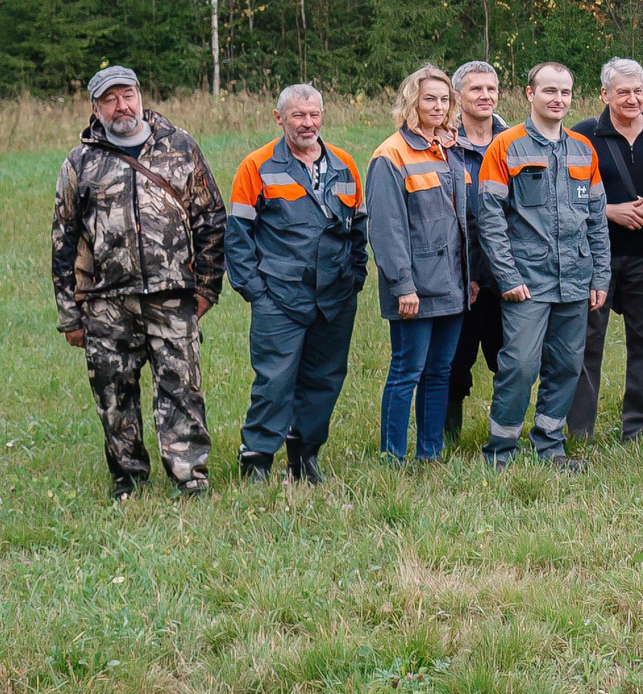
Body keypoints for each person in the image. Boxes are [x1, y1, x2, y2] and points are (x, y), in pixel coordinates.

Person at [51, 65, 225, 498]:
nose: (121, 106)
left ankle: (190, 480)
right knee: (114, 395)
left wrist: (206, 288)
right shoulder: (81, 162)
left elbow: (211, 220)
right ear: (96, 108)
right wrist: (70, 314)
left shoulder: (181, 147)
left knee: (182, 389)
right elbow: (63, 241)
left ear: (141, 96)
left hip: (174, 298)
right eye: (109, 99)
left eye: (127, 95)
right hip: (106, 303)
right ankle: (127, 479)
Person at [473, 62, 610, 471]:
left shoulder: (583, 150)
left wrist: (600, 275)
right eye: (549, 91)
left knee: (567, 365)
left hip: (575, 279)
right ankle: (501, 450)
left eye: (565, 92)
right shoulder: (506, 147)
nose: (558, 99)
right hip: (527, 283)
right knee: (519, 365)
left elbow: (597, 220)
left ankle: (550, 445)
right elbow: (490, 218)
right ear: (529, 94)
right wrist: (507, 277)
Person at [227, 84, 367, 483]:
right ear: (279, 118)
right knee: (275, 381)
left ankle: (305, 456)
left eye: (314, 115)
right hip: (280, 297)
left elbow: (359, 229)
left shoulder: (344, 164)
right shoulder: (257, 166)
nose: (308, 123)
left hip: (336, 297)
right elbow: (238, 237)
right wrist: (256, 291)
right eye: (298, 116)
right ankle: (257, 460)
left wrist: (355, 276)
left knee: (324, 380)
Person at [367, 66, 469, 464]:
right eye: (429, 98)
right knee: (406, 371)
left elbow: (460, 222)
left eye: (444, 99)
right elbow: (387, 228)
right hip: (415, 288)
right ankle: (392, 456)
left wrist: (470, 278)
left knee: (440, 372)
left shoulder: (447, 149)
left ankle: (430, 453)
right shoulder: (390, 154)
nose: (438, 106)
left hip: (452, 285)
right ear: (412, 101)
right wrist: (402, 285)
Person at [574, 58, 643, 441]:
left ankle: (640, 427)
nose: (633, 99)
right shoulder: (583, 136)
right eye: (623, 92)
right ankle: (579, 429)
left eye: (638, 91)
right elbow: (567, 195)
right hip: (594, 258)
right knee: (586, 343)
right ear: (604, 94)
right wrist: (607, 211)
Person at [444, 60, 511, 439]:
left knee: (511, 362)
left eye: (491, 89)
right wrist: (463, 274)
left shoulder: (514, 142)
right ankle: (446, 437)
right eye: (475, 89)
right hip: (458, 276)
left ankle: (505, 434)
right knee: (454, 364)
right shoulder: (444, 146)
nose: (485, 96)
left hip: (507, 276)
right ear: (458, 96)